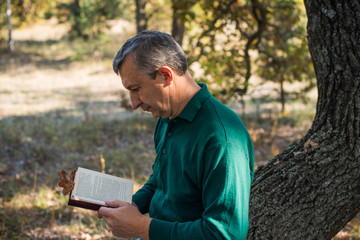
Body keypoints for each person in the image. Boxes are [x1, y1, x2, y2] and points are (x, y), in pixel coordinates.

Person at [98, 30, 254, 240]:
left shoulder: (222, 138)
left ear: (166, 75)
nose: (134, 103)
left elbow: (225, 234)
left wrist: (143, 228)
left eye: (136, 89)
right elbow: (161, 181)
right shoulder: (167, 116)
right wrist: (134, 204)